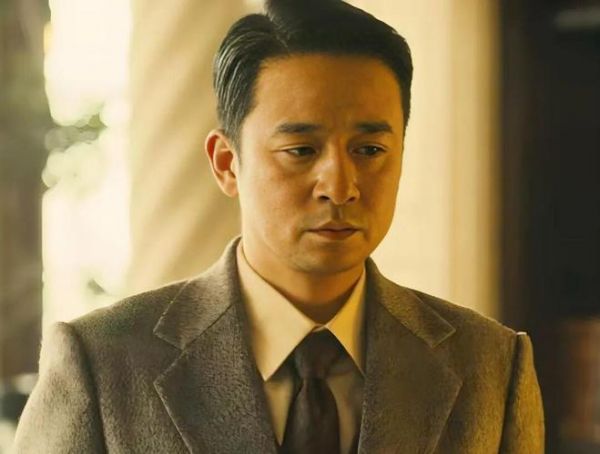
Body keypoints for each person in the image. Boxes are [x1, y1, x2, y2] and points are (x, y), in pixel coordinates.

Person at [13, 0, 544, 452]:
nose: (340, 186)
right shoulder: (103, 364)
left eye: (369, 150)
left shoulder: (489, 366)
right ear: (227, 163)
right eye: (301, 150)